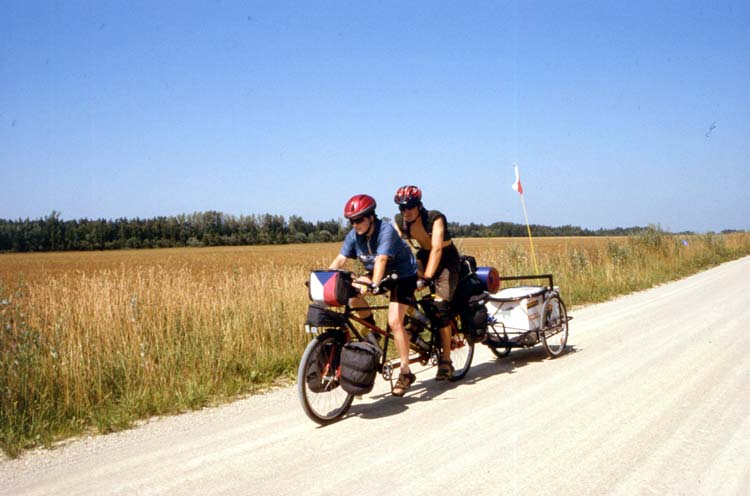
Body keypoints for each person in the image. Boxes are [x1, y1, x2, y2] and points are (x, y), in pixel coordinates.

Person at [329, 194, 419, 397]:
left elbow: (381, 260)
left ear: (371, 216)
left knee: (395, 321)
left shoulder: (385, 230)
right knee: (352, 294)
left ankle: (405, 372)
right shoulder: (354, 235)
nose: (355, 224)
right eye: (352, 220)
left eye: (359, 219)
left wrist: (374, 285)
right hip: (379, 273)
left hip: (402, 275)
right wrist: (326, 278)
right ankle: (374, 333)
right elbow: (341, 258)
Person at [393, 185, 461, 380]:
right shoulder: (400, 221)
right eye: (401, 208)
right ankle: (417, 324)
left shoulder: (434, 218)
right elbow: (395, 245)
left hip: (447, 260)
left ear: (419, 204)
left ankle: (446, 361)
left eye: (410, 206)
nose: (406, 211)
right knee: (404, 290)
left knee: (440, 308)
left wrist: (427, 277)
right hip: (423, 256)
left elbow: (438, 249)